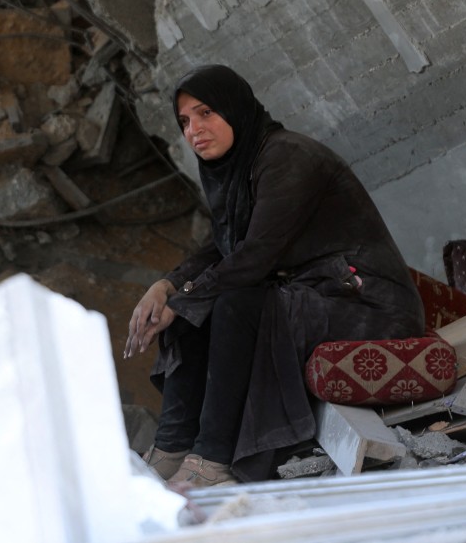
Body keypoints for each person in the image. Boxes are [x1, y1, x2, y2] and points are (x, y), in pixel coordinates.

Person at [124, 64, 425, 488]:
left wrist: (183, 299)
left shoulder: (288, 158)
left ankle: (212, 461)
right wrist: (167, 286)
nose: (194, 130)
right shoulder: (237, 169)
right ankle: (173, 449)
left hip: (367, 306)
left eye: (206, 112)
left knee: (229, 304)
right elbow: (223, 247)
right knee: (197, 304)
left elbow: (256, 254)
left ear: (235, 108)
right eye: (185, 121)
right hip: (317, 296)